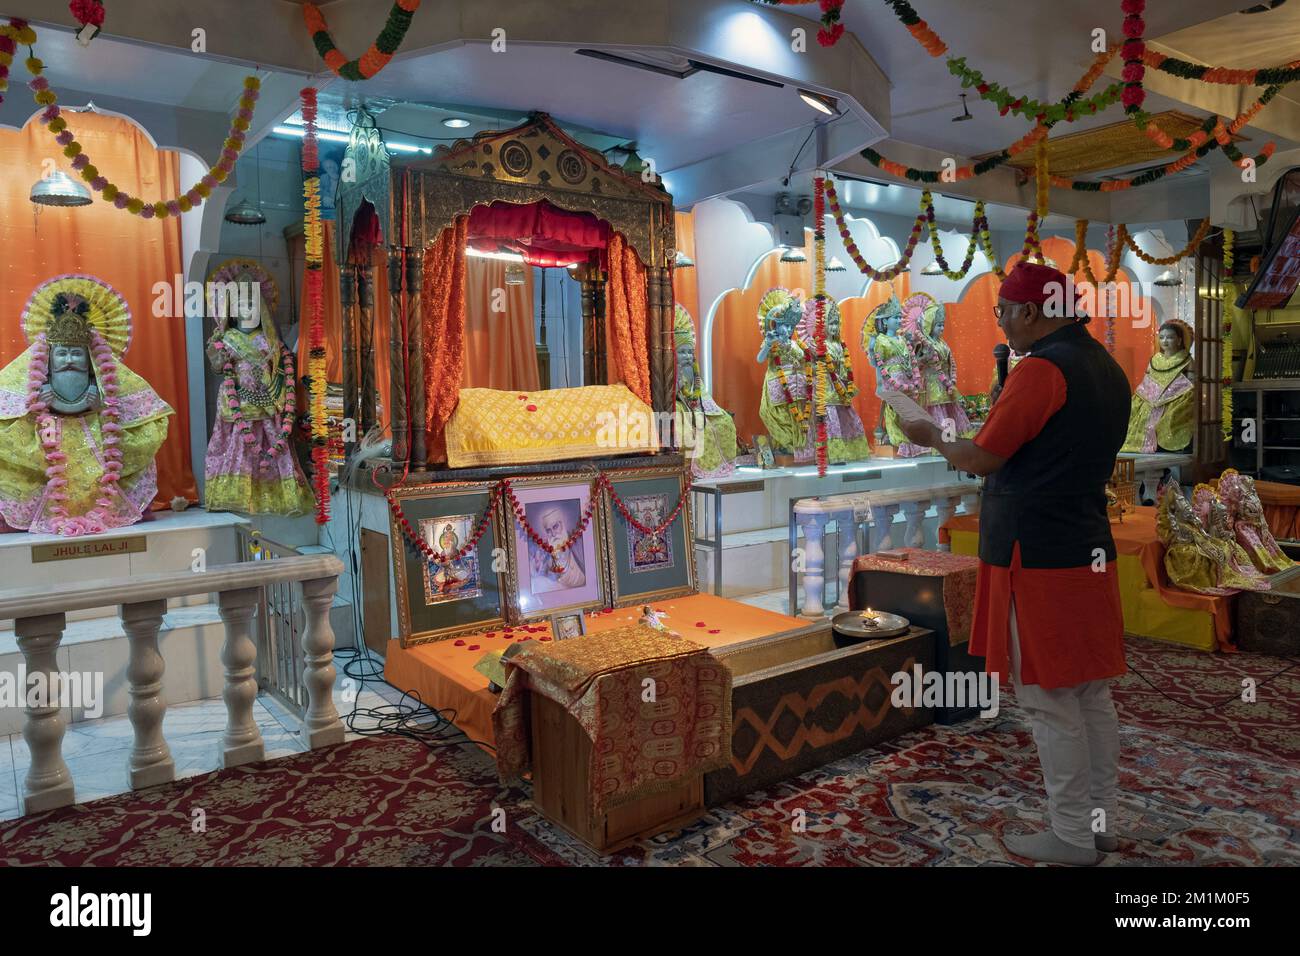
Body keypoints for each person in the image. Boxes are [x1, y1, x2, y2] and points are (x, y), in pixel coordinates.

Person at [892, 260, 1131, 866]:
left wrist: (929, 432)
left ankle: (1073, 836)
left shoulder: (1042, 370)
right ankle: (1099, 823)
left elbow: (982, 458)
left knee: (1051, 698)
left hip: (1039, 553)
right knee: (1090, 694)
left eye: (1001, 310)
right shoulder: (1106, 366)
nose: (1000, 320)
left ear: (1029, 312)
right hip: (1087, 545)